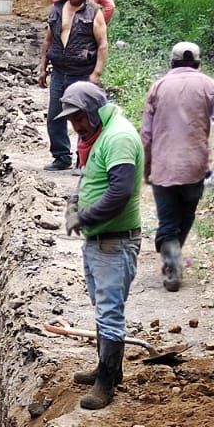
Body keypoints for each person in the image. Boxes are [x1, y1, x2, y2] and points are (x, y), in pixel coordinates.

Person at [57, 82, 144, 409]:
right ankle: (106, 368)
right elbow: (92, 177)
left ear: (93, 112)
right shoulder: (99, 135)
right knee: (102, 304)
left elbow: (120, 192)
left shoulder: (118, 138)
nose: (74, 126)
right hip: (100, 239)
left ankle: (106, 384)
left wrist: (85, 216)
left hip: (114, 241)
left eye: (78, 119)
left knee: (109, 310)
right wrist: (75, 201)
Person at [140, 40, 214, 290]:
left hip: (163, 167)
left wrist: (145, 166)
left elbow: (146, 134)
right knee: (187, 215)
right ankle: (173, 252)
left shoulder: (158, 87)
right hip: (195, 166)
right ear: (198, 63)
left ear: (172, 62)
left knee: (167, 221)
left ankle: (170, 253)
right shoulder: (210, 86)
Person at [38, 0, 108, 171]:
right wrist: (42, 68)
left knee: (83, 119)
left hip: (82, 73)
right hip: (59, 72)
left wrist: (96, 74)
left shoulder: (93, 12)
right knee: (55, 116)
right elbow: (47, 40)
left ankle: (84, 160)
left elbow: (102, 44)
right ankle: (61, 157)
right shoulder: (57, 9)